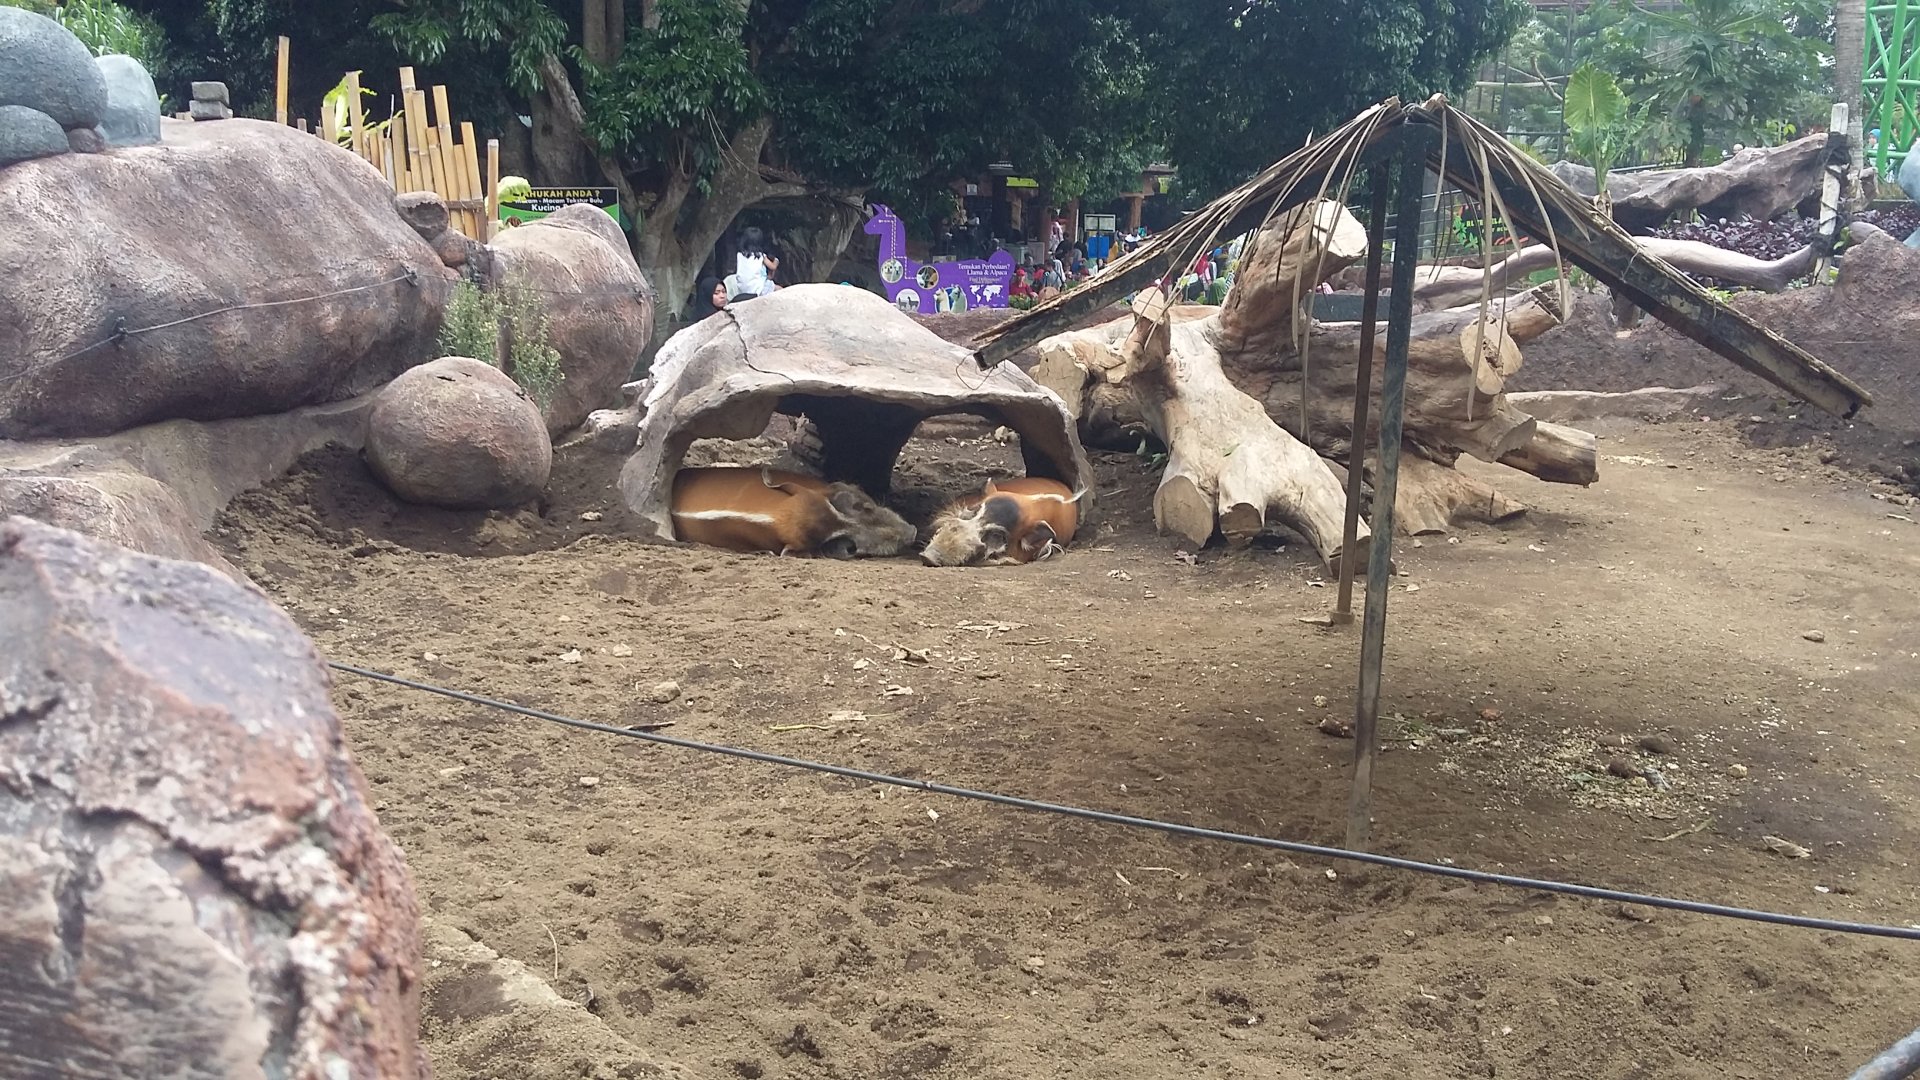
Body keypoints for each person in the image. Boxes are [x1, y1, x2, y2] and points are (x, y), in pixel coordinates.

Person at [732, 226, 780, 297]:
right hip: (757, 288)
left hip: (742, 289)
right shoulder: (760, 256)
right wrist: (776, 260)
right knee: (780, 289)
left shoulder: (739, 255)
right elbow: (773, 267)